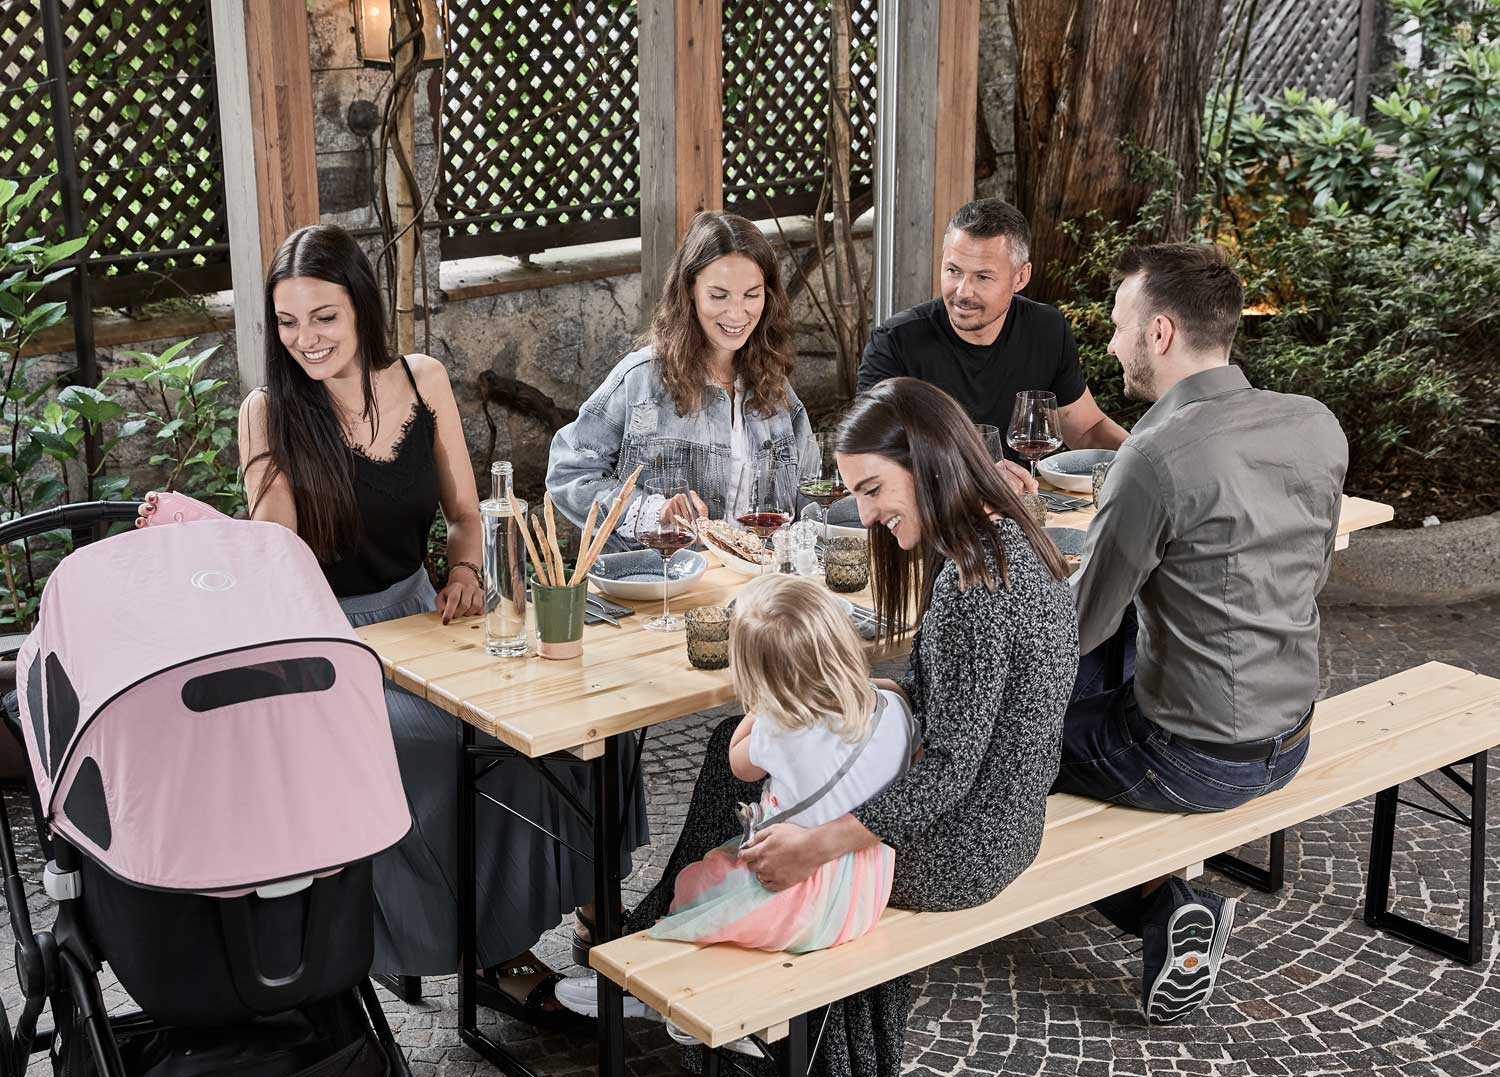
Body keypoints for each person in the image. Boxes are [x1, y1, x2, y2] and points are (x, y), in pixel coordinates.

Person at [557, 378, 1079, 1077]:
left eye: (873, 490)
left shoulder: (973, 585)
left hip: (961, 849)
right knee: (766, 745)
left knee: (739, 756)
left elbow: (948, 774)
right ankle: (658, 936)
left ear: (927, 459)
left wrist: (815, 848)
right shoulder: (1013, 536)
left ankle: (670, 948)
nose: (864, 515)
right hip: (1009, 820)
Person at [230, 223, 645, 1030]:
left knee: (578, 724)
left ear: (362, 309)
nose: (305, 339)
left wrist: (462, 571)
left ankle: (602, 922)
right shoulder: (269, 412)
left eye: (324, 317)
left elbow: (466, 515)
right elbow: (277, 565)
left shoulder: (421, 382)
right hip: (334, 647)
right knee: (445, 748)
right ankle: (490, 952)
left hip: (429, 614)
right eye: (287, 322)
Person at [1060, 243, 1349, 1025]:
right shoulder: (1316, 426)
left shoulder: (1153, 456)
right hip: (1291, 735)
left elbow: (1080, 625)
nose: (1112, 345)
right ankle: (1164, 905)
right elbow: (1307, 571)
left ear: (1159, 333)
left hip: (1192, 758)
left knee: (1015, 740)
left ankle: (1158, 905)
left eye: (1120, 327)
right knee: (1121, 655)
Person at [648, 574, 917, 954]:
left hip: (804, 896)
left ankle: (655, 970)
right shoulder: (893, 709)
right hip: (865, 887)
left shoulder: (781, 730)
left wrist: (762, 706)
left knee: (696, 882)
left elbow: (738, 762)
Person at [547, 210, 819, 543]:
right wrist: (650, 511)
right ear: (690, 290)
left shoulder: (774, 386)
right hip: (665, 583)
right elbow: (568, 473)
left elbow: (812, 496)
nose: (737, 313)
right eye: (719, 295)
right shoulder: (640, 380)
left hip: (758, 585)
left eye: (751, 295)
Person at [855, 198, 1128, 472]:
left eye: (983, 277)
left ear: (1020, 278)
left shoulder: (1047, 329)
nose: (963, 291)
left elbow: (1087, 430)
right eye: (953, 271)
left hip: (1023, 502)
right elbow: (867, 453)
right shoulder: (894, 341)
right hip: (930, 508)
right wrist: (980, 485)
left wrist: (1147, 459)